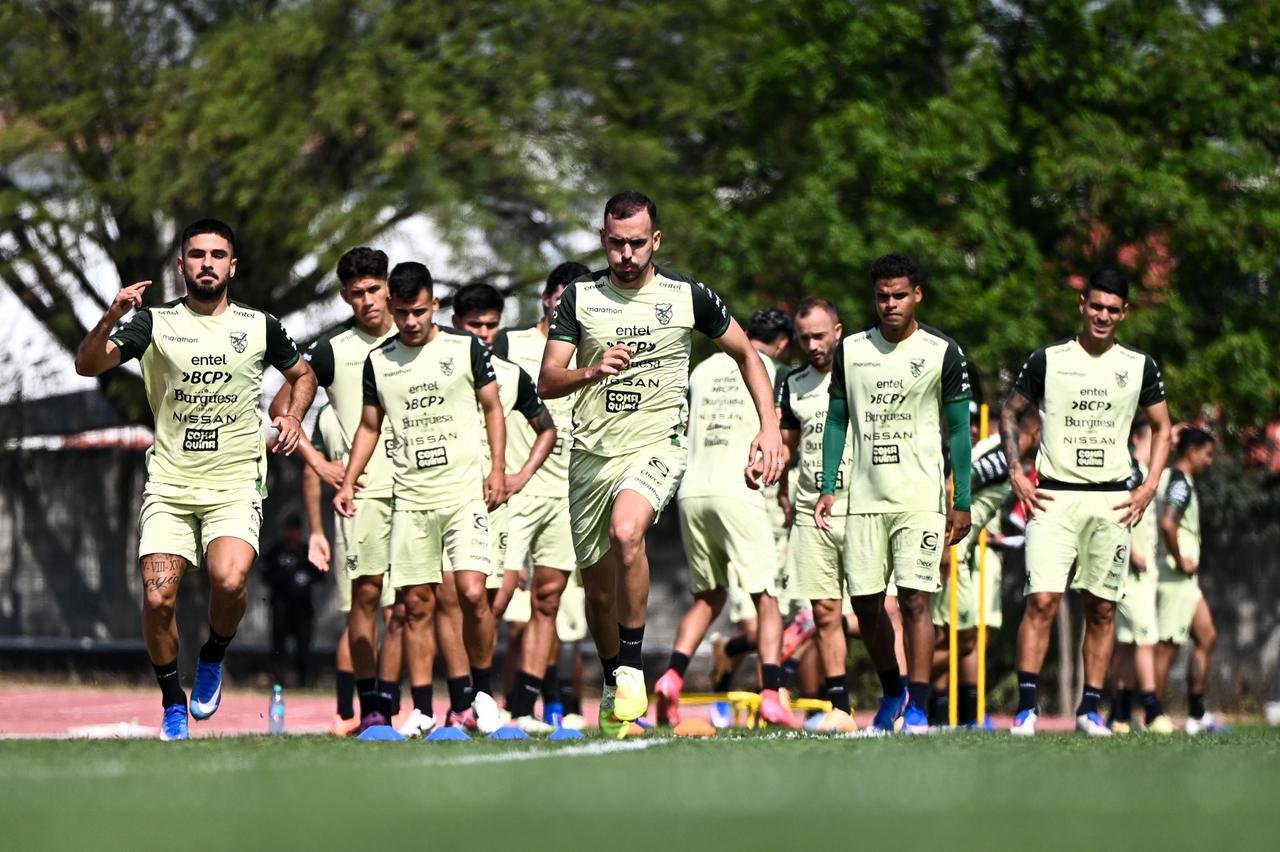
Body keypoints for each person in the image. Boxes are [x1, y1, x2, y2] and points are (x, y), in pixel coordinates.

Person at [539, 191, 785, 737]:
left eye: (636, 243)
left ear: (656, 240)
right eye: (616, 243)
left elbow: (747, 354)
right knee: (598, 591)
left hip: (657, 447)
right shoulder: (580, 297)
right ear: (603, 240)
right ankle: (614, 683)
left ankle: (631, 668)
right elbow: (548, 380)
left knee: (628, 533)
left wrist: (769, 427)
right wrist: (591, 370)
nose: (626, 254)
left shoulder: (686, 295)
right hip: (591, 456)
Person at [74, 218, 317, 740]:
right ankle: (171, 702)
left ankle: (213, 654)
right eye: (198, 255)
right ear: (181, 264)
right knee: (158, 597)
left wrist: (294, 416)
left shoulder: (260, 325)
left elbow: (303, 374)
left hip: (234, 482)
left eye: (217, 255)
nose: (208, 263)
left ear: (233, 265)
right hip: (170, 484)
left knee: (229, 580)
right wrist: (112, 316)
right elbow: (87, 366)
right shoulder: (153, 323)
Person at [334, 261, 507, 737]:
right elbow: (369, 427)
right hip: (411, 501)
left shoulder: (465, 348)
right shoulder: (379, 361)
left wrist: (497, 468)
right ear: (391, 307)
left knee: (472, 594)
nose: (411, 321)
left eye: (419, 311)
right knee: (415, 606)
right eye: (403, 312)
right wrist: (348, 481)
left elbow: (493, 408)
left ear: (435, 305)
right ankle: (425, 708)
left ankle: (483, 694)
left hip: (463, 497)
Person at [1002, 268, 1172, 736]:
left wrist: (1149, 486)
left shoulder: (1139, 366)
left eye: (1112, 309)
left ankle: (1090, 710)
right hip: (1053, 497)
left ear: (1124, 313)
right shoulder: (1048, 359)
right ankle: (1026, 709)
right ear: (1082, 305)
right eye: (1096, 306)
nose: (1102, 315)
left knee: (1102, 608)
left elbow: (1163, 428)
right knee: (1041, 601)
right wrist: (1016, 473)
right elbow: (1010, 412)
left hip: (1112, 502)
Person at [814, 254, 972, 735]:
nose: (890, 304)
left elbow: (959, 429)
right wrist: (827, 486)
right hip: (863, 498)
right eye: (882, 296)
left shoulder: (942, 351)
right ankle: (892, 690)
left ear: (917, 295)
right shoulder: (851, 350)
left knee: (914, 600)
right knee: (864, 605)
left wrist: (962, 499)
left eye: (900, 295)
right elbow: (837, 419)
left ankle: (919, 706)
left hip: (919, 498)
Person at [272, 247, 403, 731]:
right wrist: (318, 461)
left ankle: (401, 706)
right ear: (346, 297)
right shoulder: (331, 349)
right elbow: (281, 409)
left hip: (420, 493)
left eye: (373, 289)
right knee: (365, 600)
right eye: (356, 293)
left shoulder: (416, 338)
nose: (366, 300)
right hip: (361, 496)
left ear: (388, 287)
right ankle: (369, 707)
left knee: (410, 607)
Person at [652, 307, 795, 728]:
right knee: (766, 598)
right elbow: (782, 438)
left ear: (746, 331)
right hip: (739, 491)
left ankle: (672, 677)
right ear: (783, 343)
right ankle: (771, 695)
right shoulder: (775, 372)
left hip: (692, 492)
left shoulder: (703, 370)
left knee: (708, 597)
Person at [440, 282, 557, 733]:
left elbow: (546, 428)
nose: (484, 333)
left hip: (494, 505)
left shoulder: (511, 374)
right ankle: (460, 702)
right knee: (452, 598)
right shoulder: (438, 366)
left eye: (491, 325)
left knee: (490, 602)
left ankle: (482, 697)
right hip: (445, 498)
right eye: (475, 325)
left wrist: (518, 476)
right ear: (456, 324)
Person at [493, 262, 594, 731]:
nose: (568, 304)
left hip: (566, 496)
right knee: (495, 597)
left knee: (549, 601)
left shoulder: (594, 352)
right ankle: (469, 697)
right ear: (546, 298)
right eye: (562, 295)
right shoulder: (509, 344)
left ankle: (522, 707)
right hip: (515, 490)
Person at [773, 298, 858, 730]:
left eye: (819, 336)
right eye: (804, 338)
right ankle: (840, 708)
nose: (812, 345)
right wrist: (771, 468)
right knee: (824, 612)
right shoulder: (792, 383)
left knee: (880, 611)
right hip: (812, 510)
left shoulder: (862, 373)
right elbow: (787, 446)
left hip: (861, 507)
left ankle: (902, 702)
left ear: (838, 332)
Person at [930, 405, 1039, 727]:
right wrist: (945, 544)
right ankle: (905, 690)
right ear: (1035, 433)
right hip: (953, 546)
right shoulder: (1004, 456)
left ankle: (915, 696)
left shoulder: (1007, 456)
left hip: (961, 548)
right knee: (953, 636)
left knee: (964, 638)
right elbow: (954, 484)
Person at [303, 403, 397, 735]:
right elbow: (313, 471)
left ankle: (357, 711)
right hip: (372, 513)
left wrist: (317, 531)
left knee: (365, 615)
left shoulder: (329, 412)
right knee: (381, 615)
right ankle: (378, 709)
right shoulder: (363, 407)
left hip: (361, 517)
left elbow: (312, 472)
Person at [1154, 426, 1224, 734]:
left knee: (1207, 636)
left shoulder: (1174, 478)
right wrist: (1181, 559)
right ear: (1192, 452)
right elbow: (1167, 523)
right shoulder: (1180, 482)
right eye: (1207, 454)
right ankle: (1153, 715)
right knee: (1167, 646)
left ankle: (1197, 715)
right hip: (1175, 577)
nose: (1209, 461)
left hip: (1185, 581)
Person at [1109, 417, 1174, 733]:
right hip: (1134, 572)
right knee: (1145, 641)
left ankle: (1119, 715)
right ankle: (1153, 711)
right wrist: (1134, 550)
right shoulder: (1132, 468)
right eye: (1153, 437)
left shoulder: (1144, 470)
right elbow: (1124, 508)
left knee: (1128, 644)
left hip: (1138, 573)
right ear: (1136, 437)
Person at [259, 515, 324, 687]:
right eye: (289, 529)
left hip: (303, 607)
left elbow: (320, 574)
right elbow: (265, 573)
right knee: (278, 645)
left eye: (295, 529)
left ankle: (303, 680)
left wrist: (306, 579)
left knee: (303, 645)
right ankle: (278, 680)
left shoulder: (307, 551)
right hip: (280, 606)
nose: (292, 533)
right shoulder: (276, 550)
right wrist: (282, 580)